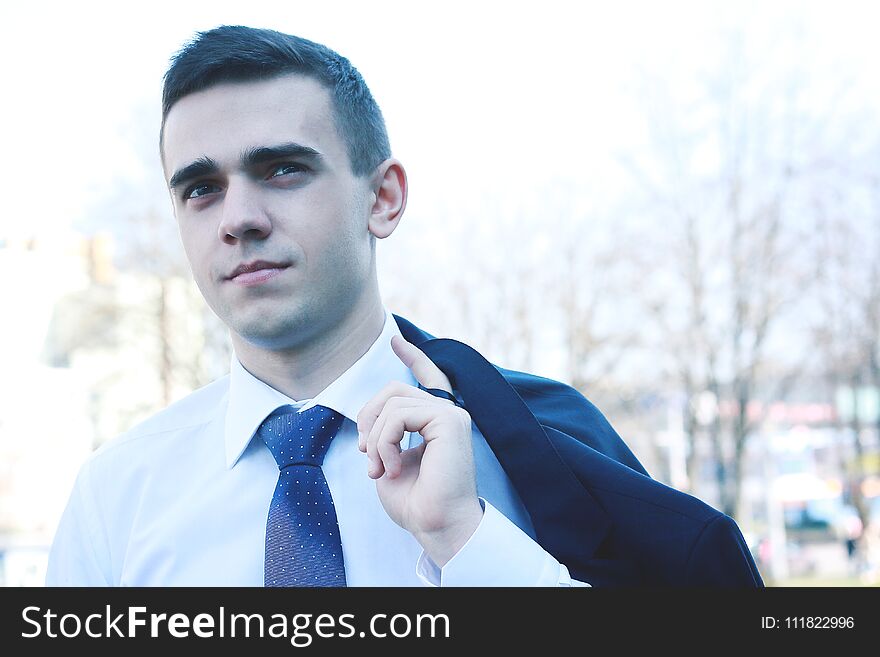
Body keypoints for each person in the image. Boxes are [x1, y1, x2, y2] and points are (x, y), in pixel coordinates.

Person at [46, 25, 762, 587]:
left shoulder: (535, 453)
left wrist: (468, 542)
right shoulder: (116, 499)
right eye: (201, 188)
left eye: (282, 169)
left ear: (383, 198)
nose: (238, 217)